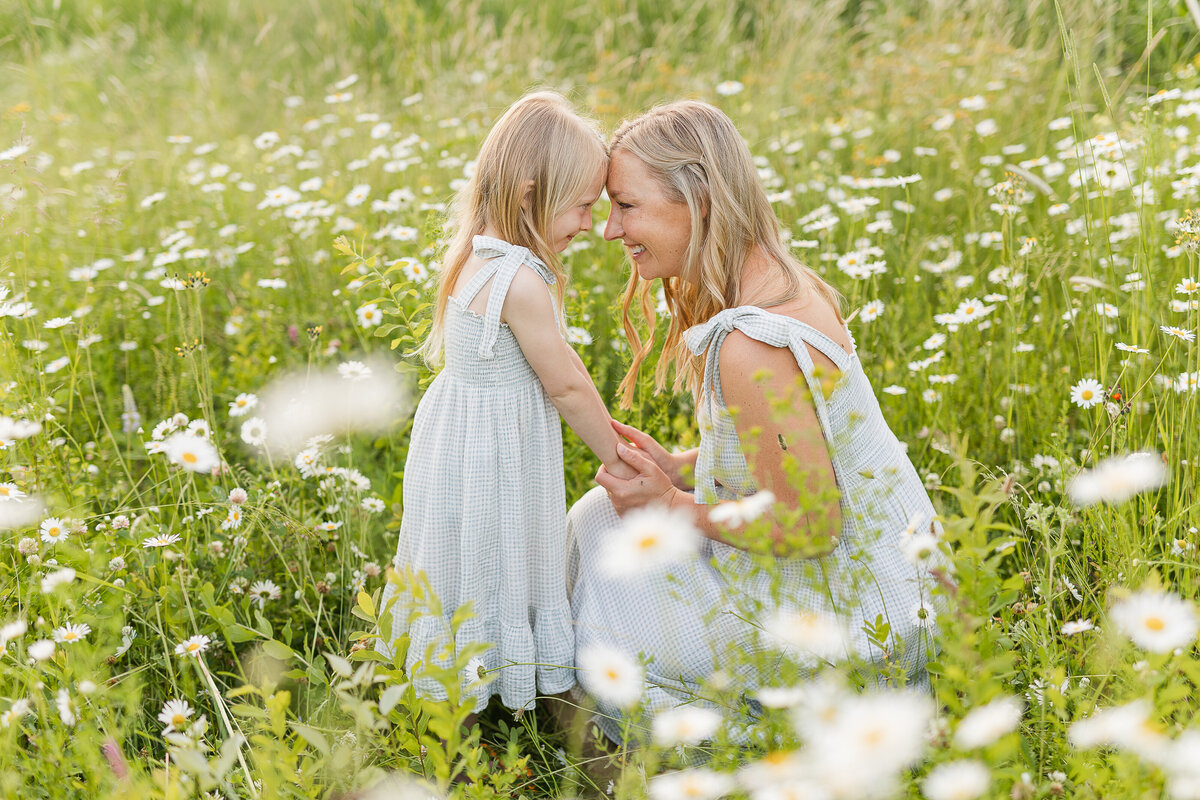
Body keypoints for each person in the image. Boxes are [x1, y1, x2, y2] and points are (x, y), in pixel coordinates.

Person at [567, 100, 940, 742]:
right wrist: (683, 466)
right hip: (897, 596)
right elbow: (802, 453)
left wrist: (675, 505)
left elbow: (810, 521)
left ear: (699, 198)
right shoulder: (785, 285)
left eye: (626, 206)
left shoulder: (750, 340)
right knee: (598, 520)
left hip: (858, 631)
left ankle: (621, 755)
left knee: (603, 555)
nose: (609, 230)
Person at [378, 91, 637, 715]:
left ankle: (459, 685)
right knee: (503, 557)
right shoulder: (520, 279)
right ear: (529, 195)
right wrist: (618, 459)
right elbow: (565, 384)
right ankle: (508, 696)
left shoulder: (479, 255)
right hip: (494, 454)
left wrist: (613, 427)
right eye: (580, 207)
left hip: (463, 442)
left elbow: (567, 368)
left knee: (469, 556)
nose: (587, 225)